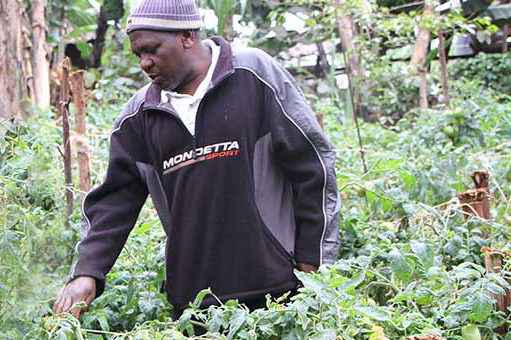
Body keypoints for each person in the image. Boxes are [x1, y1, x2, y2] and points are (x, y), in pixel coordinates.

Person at [52, 0, 340, 321]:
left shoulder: (253, 76)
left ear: (187, 36)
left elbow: (312, 166)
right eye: (138, 55)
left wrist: (314, 262)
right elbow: (114, 201)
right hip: (195, 306)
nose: (144, 63)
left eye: (152, 49)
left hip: (278, 291)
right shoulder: (138, 117)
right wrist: (87, 273)